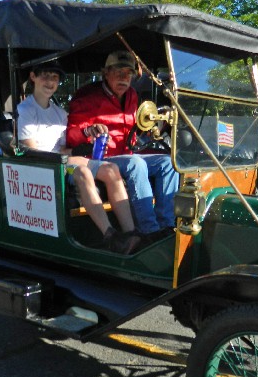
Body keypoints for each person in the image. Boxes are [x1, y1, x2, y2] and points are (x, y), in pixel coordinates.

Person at [17, 60, 140, 255]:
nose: (50, 82)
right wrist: (70, 157)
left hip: (63, 161)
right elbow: (34, 152)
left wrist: (84, 145)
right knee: (82, 172)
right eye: (45, 76)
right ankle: (110, 236)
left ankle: (131, 234)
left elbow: (65, 148)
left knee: (111, 169)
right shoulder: (25, 110)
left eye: (54, 78)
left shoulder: (60, 113)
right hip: (43, 166)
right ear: (33, 77)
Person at [66, 50, 178, 241]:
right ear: (106, 73)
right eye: (118, 72)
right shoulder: (87, 96)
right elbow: (71, 136)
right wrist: (88, 131)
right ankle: (149, 231)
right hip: (99, 158)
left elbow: (132, 132)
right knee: (136, 163)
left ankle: (167, 226)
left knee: (168, 163)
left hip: (125, 154)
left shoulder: (132, 95)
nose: (123, 78)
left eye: (128, 73)